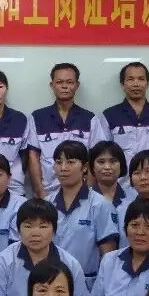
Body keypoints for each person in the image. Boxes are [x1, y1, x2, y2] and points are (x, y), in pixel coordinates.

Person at [0, 199, 92, 296]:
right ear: (18, 230)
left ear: (54, 231)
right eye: (28, 226)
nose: (35, 233)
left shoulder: (71, 265)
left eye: (43, 226)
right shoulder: (3, 262)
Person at [48, 140, 119, 291]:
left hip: (87, 285)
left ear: (85, 167)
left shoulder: (100, 204)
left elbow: (108, 255)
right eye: (59, 162)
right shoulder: (47, 203)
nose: (63, 168)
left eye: (70, 162)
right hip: (50, 282)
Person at [29, 63, 100, 199]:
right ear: (52, 85)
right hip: (48, 192)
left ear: (77, 85)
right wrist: (40, 192)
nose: (64, 86)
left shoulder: (90, 118)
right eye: (59, 82)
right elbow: (33, 157)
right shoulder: (37, 117)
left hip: (80, 192)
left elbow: (94, 157)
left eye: (69, 82)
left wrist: (87, 192)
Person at [92, 61, 149, 176]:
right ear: (122, 84)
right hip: (119, 183)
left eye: (141, 79)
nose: (136, 84)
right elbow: (100, 156)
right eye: (130, 79)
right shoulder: (109, 116)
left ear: (148, 83)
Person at [87, 141, 127, 209]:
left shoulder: (132, 198)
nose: (107, 167)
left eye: (113, 161)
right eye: (101, 162)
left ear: (121, 166)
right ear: (93, 167)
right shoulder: (82, 200)